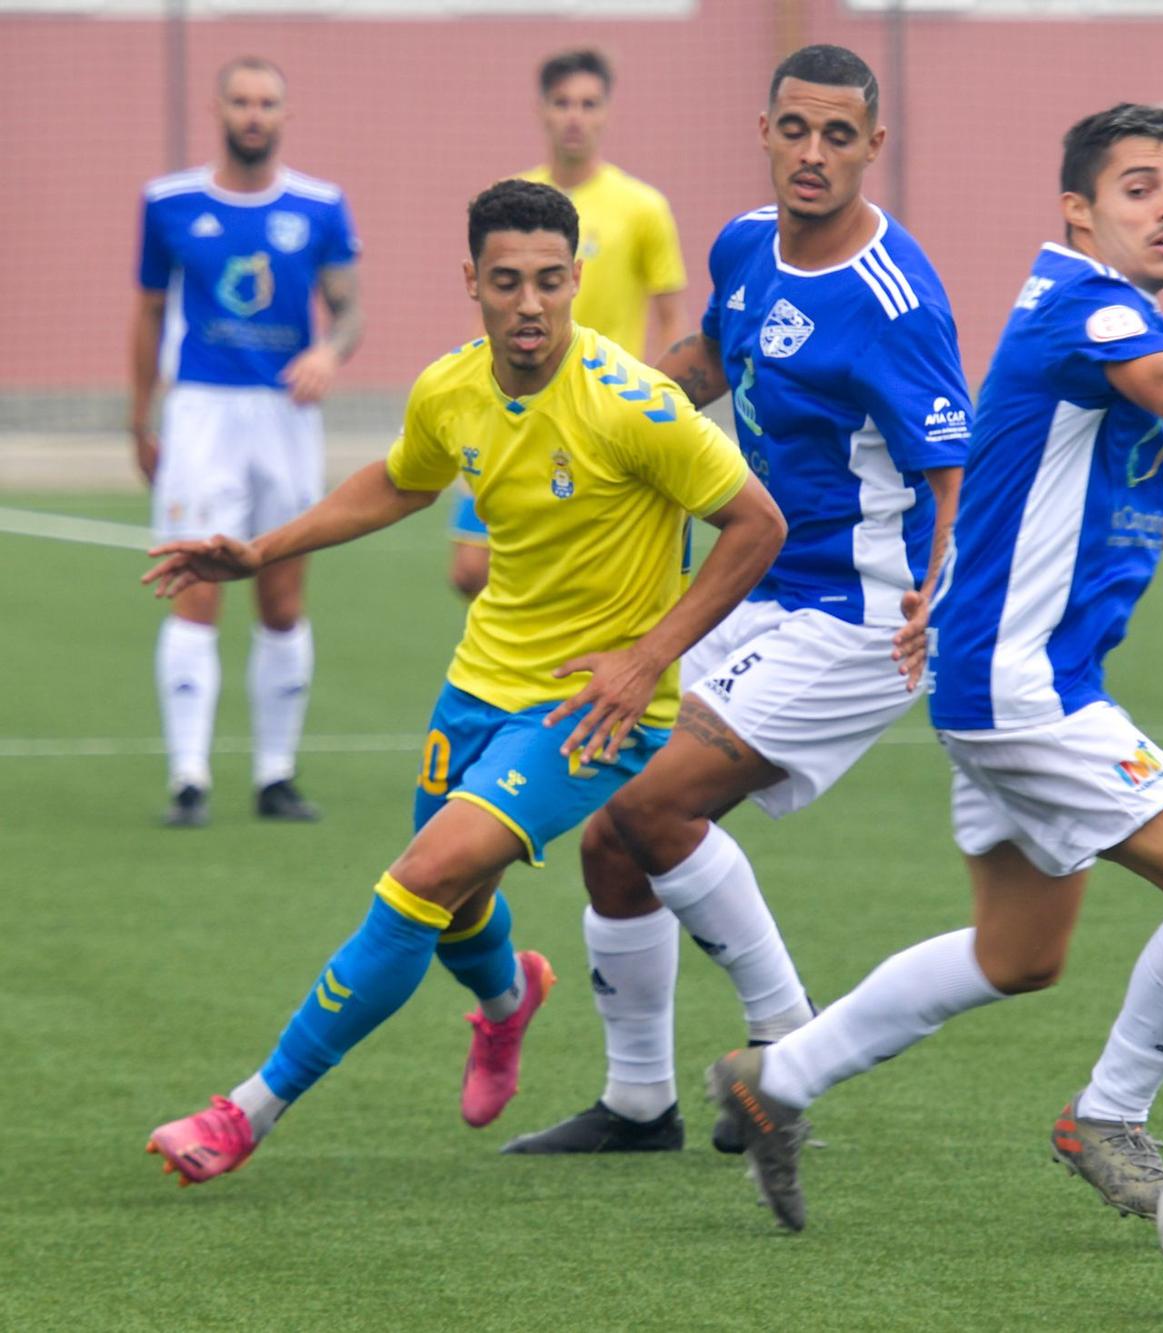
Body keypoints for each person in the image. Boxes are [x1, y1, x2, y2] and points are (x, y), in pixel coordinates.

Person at [706, 102, 1163, 1232]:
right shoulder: (1087, 307)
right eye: (1138, 187)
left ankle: (774, 1079)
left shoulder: (1091, 321)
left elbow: (1136, 487)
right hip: (1022, 688)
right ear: (1076, 211)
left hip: (997, 680)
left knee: (1017, 952)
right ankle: (1108, 1117)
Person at [139, 179, 785, 1187]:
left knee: (421, 880)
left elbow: (758, 525)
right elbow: (404, 477)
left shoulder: (635, 406)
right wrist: (261, 550)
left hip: (589, 708)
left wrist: (648, 657)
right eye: (506, 282)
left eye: (549, 281)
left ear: (577, 279)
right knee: (457, 900)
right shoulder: (451, 387)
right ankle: (506, 1002)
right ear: (472, 283)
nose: (529, 304)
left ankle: (245, 1111)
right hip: (479, 681)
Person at [502, 44, 971, 1158]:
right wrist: (600, 411)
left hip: (858, 615)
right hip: (757, 584)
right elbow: (711, 360)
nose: (813, 155)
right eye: (795, 130)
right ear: (763, 127)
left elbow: (958, 471)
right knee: (608, 832)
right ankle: (635, 1105)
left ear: (873, 147)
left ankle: (784, 1051)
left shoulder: (895, 299)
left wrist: (936, 596)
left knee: (655, 804)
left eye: (838, 136)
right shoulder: (741, 245)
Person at [132, 56, 363, 827]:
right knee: (196, 586)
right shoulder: (169, 204)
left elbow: (350, 309)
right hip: (202, 413)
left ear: (284, 113)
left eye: (267, 101)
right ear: (218, 108)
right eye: (242, 101)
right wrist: (141, 416)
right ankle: (189, 777)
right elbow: (145, 313)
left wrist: (330, 352)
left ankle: (275, 775)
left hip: (284, 418)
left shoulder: (320, 206)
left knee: (283, 592)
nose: (254, 114)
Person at [448, 47, 692, 600]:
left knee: (583, 572)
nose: (575, 116)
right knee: (470, 570)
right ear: (542, 110)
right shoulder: (511, 201)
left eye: (588, 103)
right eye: (563, 103)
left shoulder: (641, 206)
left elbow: (671, 316)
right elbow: (486, 308)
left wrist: (652, 408)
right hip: (516, 411)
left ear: (606, 112)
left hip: (598, 415)